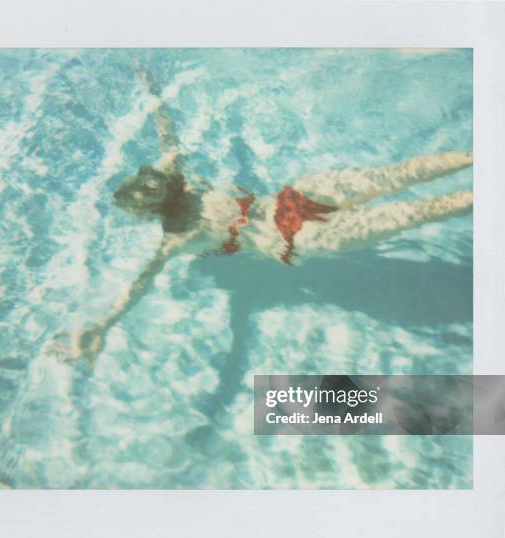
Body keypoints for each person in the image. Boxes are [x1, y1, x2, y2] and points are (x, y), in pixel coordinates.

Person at [51, 70, 473, 364]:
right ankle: (476, 156)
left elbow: (139, 284)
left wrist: (101, 326)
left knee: (416, 214)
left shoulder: (176, 238)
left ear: (147, 213)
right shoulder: (179, 176)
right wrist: (151, 88)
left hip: (297, 238)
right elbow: (168, 132)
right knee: (394, 176)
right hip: (295, 197)